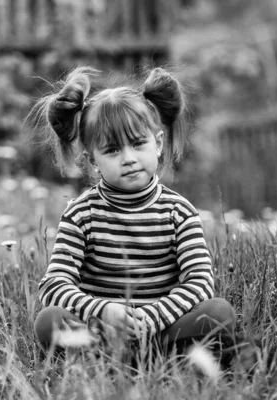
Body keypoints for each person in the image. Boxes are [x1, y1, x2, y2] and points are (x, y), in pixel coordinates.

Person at [28, 66, 236, 357]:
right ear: (93, 160)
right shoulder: (80, 215)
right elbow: (54, 285)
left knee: (218, 312)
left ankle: (146, 354)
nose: (128, 158)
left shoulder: (179, 212)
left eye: (138, 144)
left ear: (158, 143)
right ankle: (133, 355)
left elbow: (200, 282)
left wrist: (153, 318)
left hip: (163, 326)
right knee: (48, 321)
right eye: (112, 150)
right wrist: (102, 310)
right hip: (102, 329)